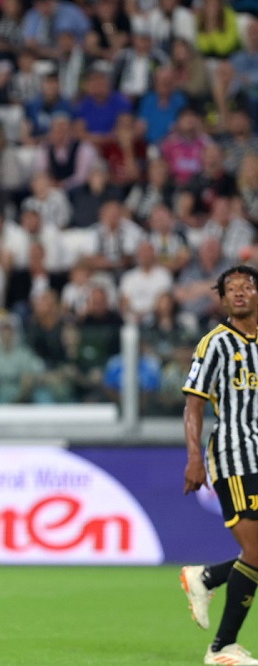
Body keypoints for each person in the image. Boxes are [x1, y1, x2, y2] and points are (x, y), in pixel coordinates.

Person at [181, 265, 258, 666]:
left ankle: (207, 577)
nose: (240, 292)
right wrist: (194, 457)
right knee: (256, 548)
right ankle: (221, 648)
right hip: (234, 453)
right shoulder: (215, 344)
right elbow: (194, 403)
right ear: (223, 299)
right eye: (232, 288)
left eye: (248, 286)